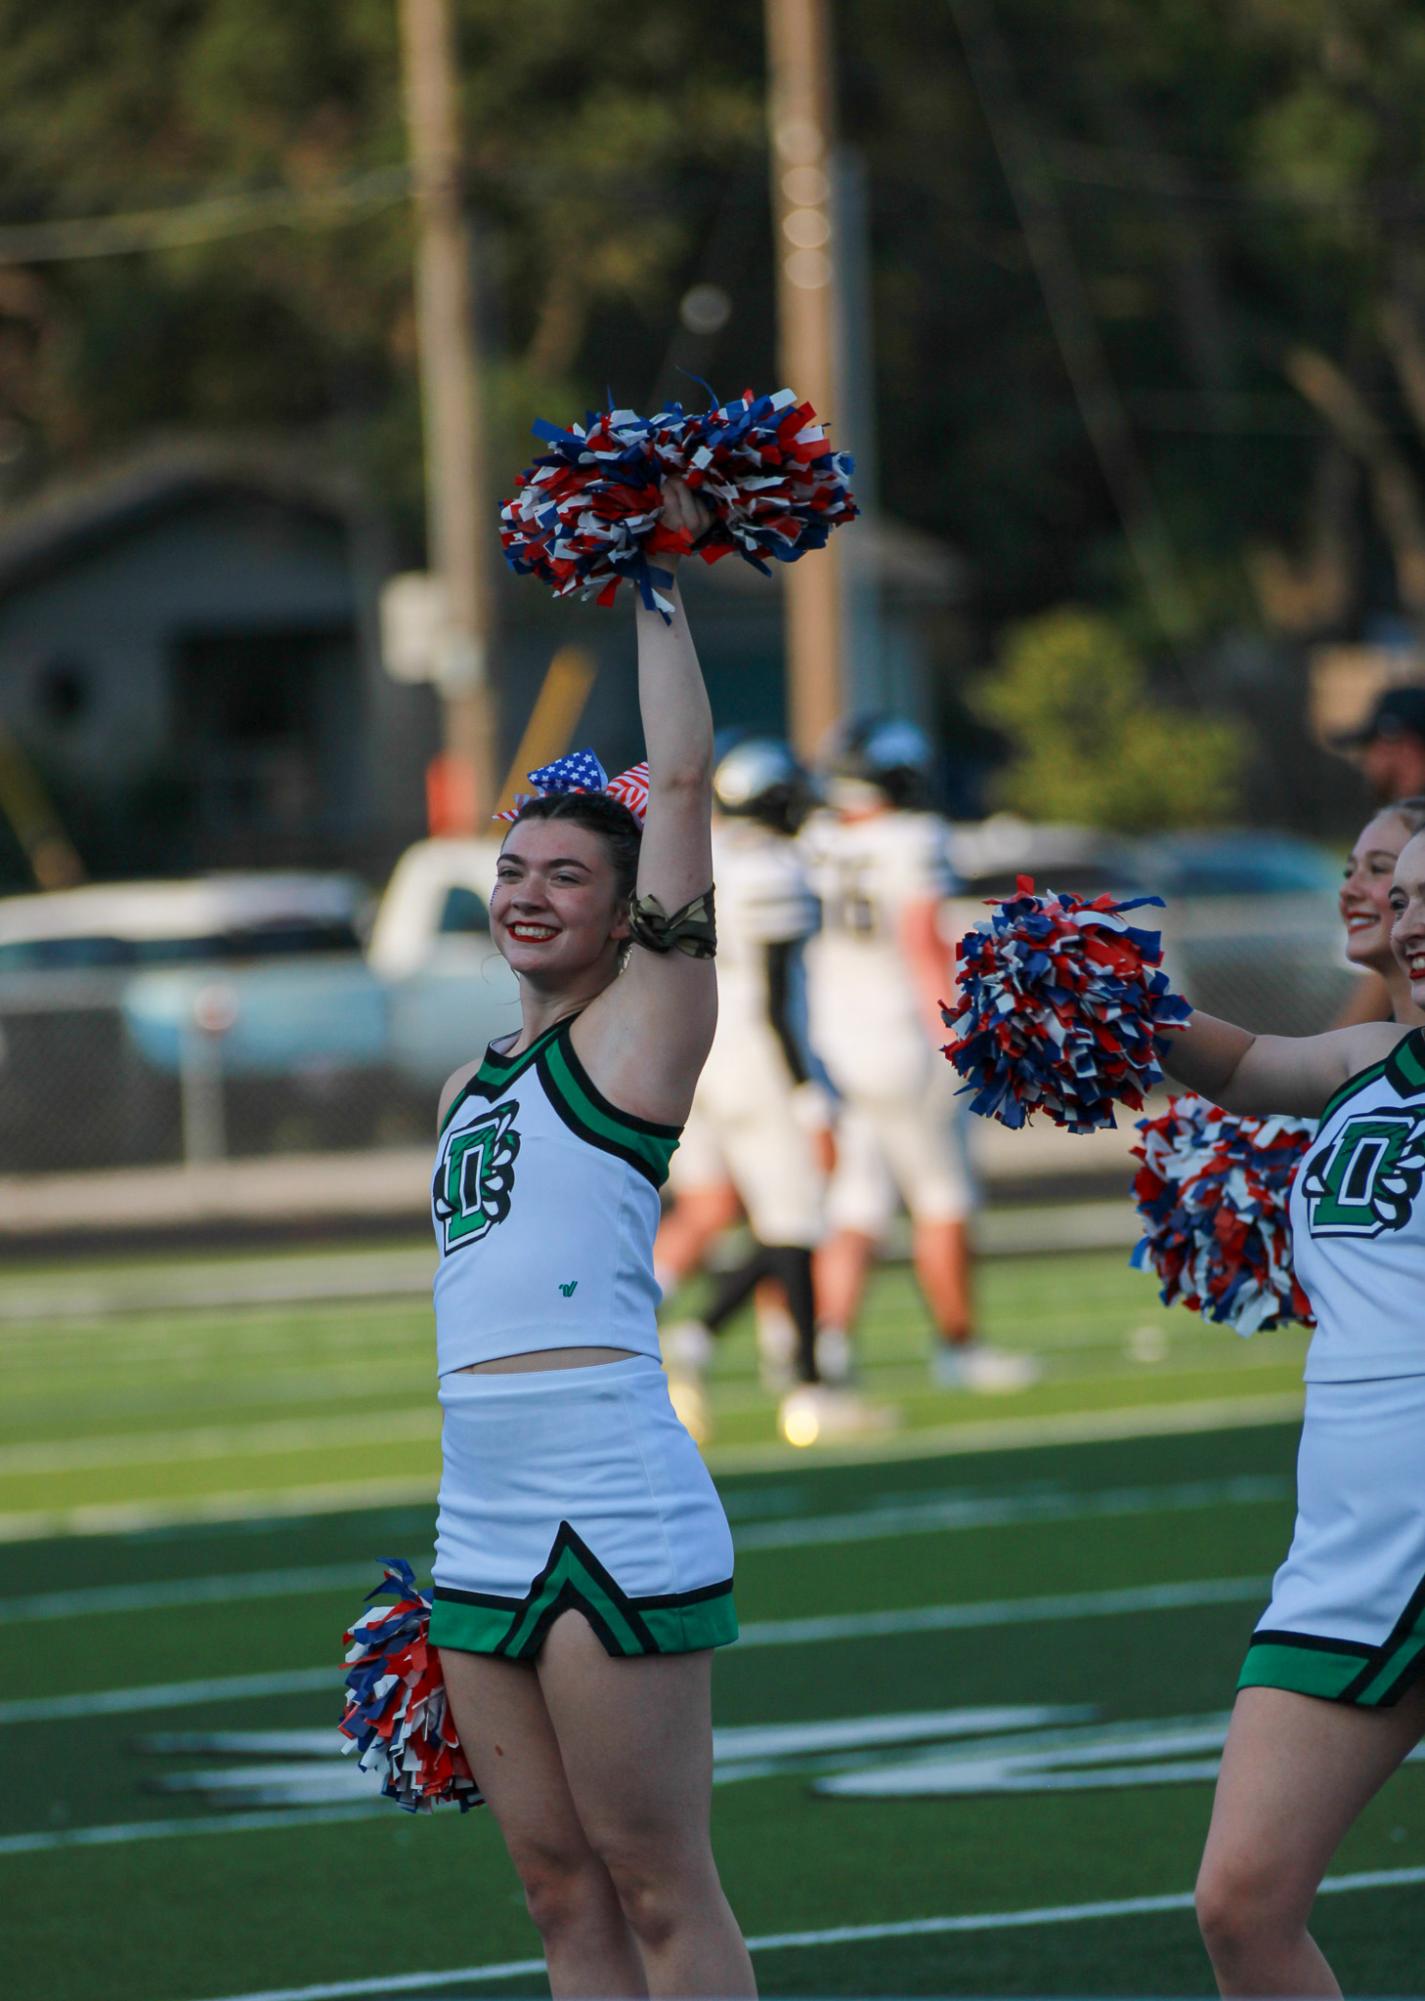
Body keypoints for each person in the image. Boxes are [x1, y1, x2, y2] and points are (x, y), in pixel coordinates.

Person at [427, 478, 755, 2000]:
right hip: (476, 1502)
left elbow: (678, 784)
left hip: (607, 1492)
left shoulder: (640, 1042)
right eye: (513, 870)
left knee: (656, 1882)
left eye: (568, 875)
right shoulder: (463, 1085)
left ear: (629, 918)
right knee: (559, 1893)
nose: (530, 894)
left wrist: (651, 570)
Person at [1161, 830, 1425, 1998]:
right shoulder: (1364, 1057)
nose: (1409, 917)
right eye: (1403, 896)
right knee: (1242, 1903)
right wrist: (1078, 982)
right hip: (1352, 1540)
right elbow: (1229, 1064)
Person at [656, 734, 887, 1442]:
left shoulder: (699, 862)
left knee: (748, 1218)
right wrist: (809, 1100)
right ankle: (800, 1389)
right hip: (760, 1063)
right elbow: (773, 1001)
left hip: (700, 1060)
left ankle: (691, 1339)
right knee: (795, 1226)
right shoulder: (772, 873)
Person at [801, 714, 1037, 1391]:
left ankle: (831, 1347)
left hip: (832, 1045)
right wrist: (961, 1032)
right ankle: (958, 1348)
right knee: (941, 1198)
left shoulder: (813, 839)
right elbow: (920, 938)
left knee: (854, 1204)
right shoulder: (913, 835)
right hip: (903, 1040)